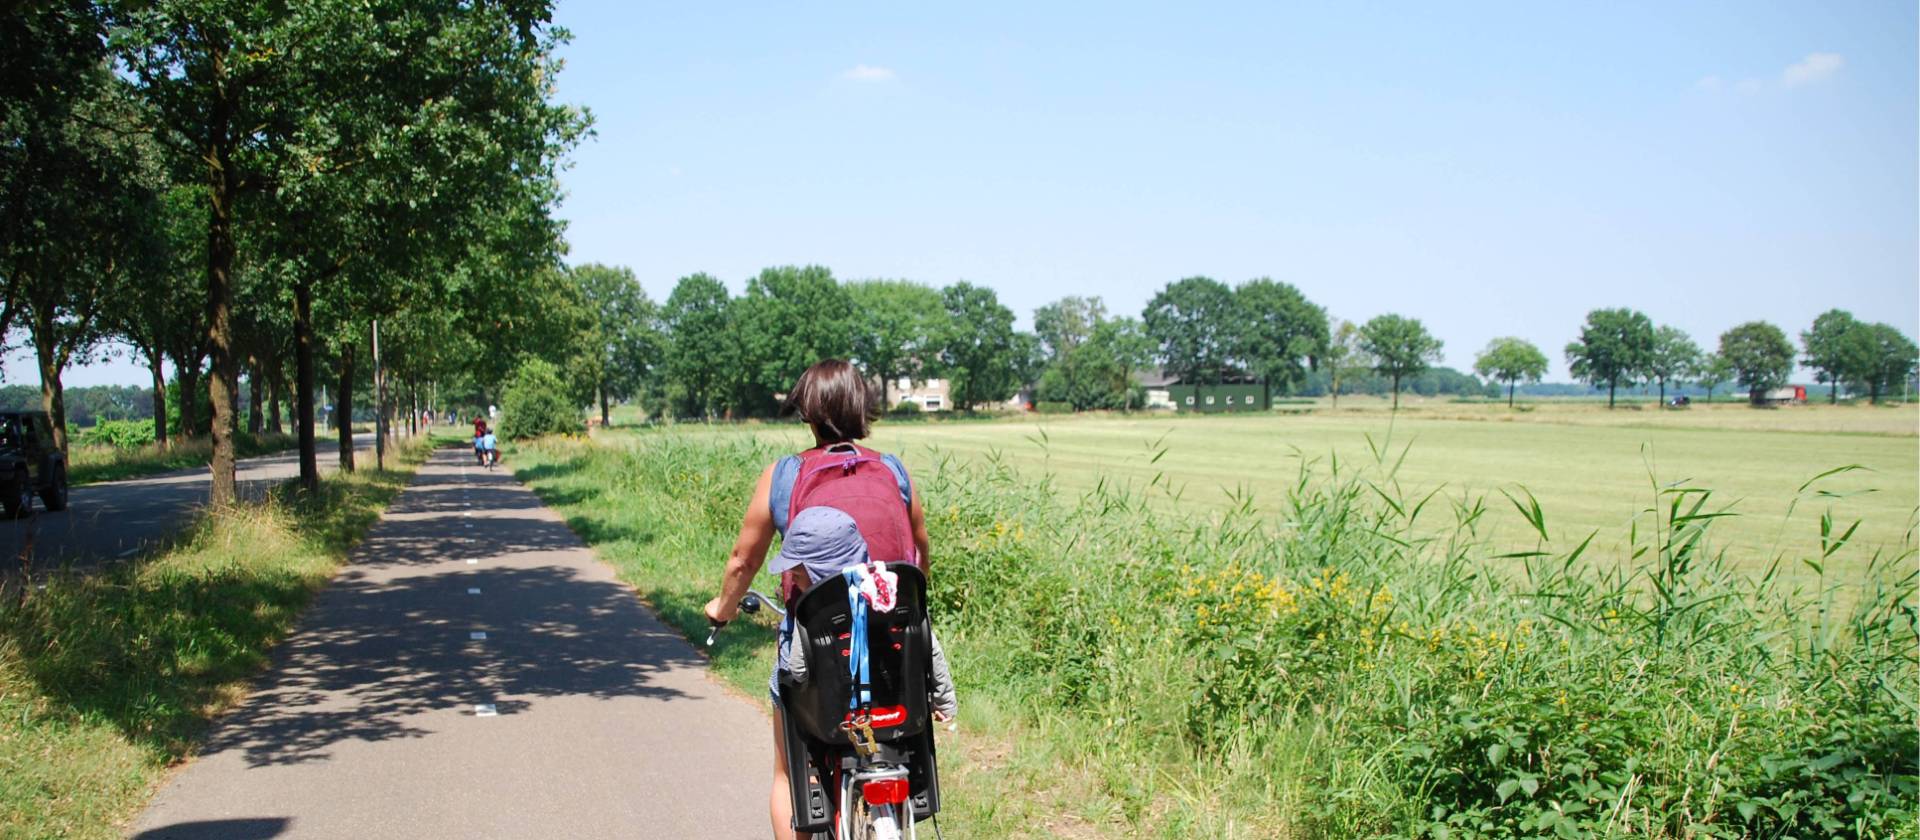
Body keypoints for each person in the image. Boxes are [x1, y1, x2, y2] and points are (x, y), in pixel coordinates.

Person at [704, 359, 940, 840]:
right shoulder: (894, 470)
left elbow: (742, 563)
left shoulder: (785, 475)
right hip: (896, 649)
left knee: (787, 775)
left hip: (819, 656)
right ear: (863, 408)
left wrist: (721, 610)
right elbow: (919, 555)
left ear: (807, 413)